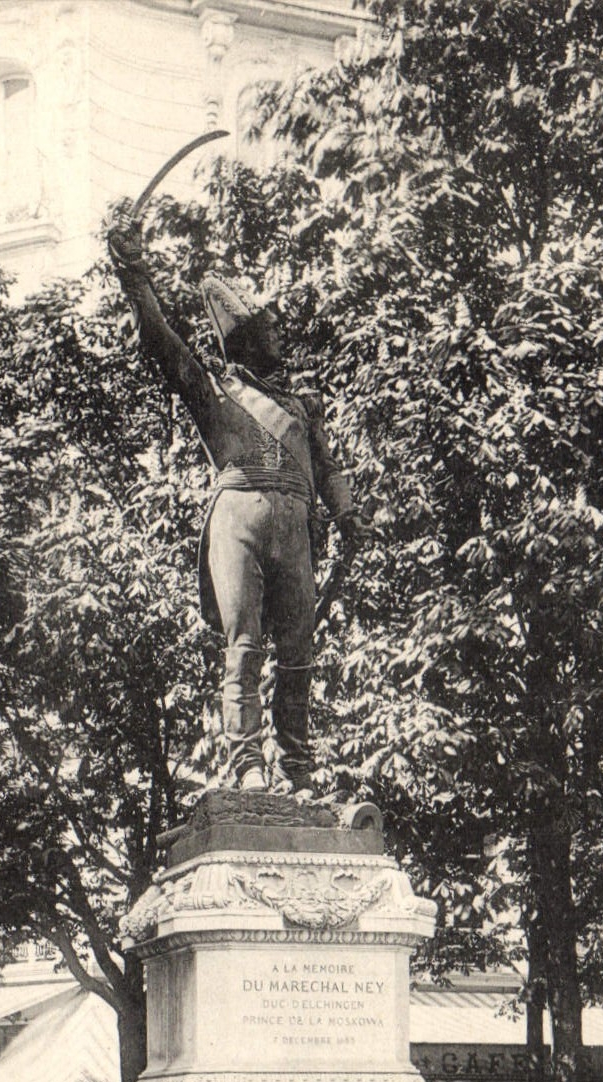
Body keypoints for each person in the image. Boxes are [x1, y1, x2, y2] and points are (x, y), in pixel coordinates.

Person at [108, 215, 366, 797]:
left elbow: (326, 467)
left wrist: (347, 513)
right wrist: (135, 277)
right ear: (247, 338)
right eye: (268, 329)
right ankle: (249, 765)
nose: (279, 337)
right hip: (238, 522)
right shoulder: (217, 392)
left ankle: (298, 769)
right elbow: (163, 344)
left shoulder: (302, 405)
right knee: (244, 646)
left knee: (299, 650)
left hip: (296, 529)